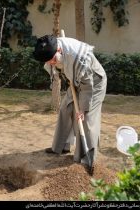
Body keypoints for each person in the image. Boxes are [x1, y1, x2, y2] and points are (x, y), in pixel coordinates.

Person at [33, 35, 107, 164]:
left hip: (94, 83)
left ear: (59, 51)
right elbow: (63, 70)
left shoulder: (79, 58)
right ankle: (61, 147)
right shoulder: (53, 47)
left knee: (86, 120)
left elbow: (87, 86)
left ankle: (86, 158)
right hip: (77, 81)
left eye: (53, 60)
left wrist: (83, 110)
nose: (51, 63)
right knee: (65, 108)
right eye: (48, 61)